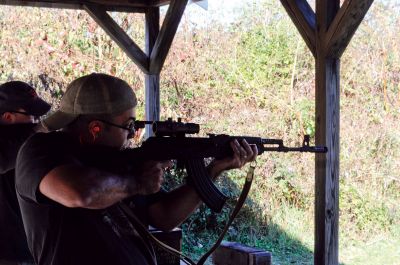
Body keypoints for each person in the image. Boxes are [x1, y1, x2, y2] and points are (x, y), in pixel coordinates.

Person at [15, 73, 257, 265]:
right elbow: (80, 192)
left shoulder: (121, 163)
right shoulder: (39, 151)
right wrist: (137, 182)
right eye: (128, 125)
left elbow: (164, 216)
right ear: (95, 128)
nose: (133, 134)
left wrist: (213, 170)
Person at [0, 81, 51, 265]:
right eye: (32, 115)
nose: (37, 120)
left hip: (28, 248)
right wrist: (37, 131)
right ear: (8, 117)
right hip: (8, 254)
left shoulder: (23, 141)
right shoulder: (10, 145)